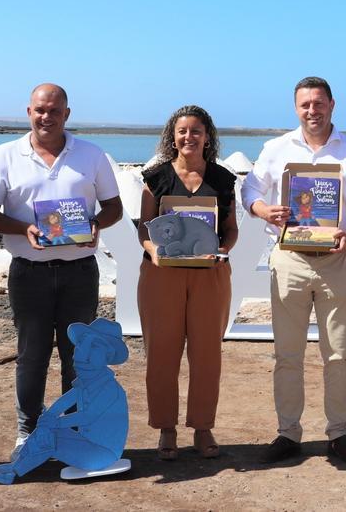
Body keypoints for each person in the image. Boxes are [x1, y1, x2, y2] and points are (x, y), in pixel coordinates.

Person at [241, 76, 346, 464]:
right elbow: (250, 192)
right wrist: (264, 210)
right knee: (287, 355)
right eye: (305, 104)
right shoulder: (275, 149)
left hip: (337, 261)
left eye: (319, 104)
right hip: (288, 260)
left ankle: (338, 433)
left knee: (338, 355)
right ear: (296, 108)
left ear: (332, 105)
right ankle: (288, 433)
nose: (312, 111)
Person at [0, 83, 123, 460]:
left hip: (79, 272)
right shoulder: (4, 155)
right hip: (29, 273)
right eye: (40, 110)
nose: (47, 117)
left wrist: (95, 224)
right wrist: (22, 228)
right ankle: (28, 429)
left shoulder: (91, 155)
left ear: (66, 114)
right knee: (32, 354)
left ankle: (73, 427)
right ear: (29, 112)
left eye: (54, 110)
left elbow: (114, 207)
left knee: (79, 357)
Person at [137, 105, 238, 461]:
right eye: (182, 131)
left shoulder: (224, 180)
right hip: (161, 275)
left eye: (196, 131)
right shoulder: (156, 177)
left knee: (207, 354)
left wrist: (223, 250)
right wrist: (154, 252)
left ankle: (203, 427)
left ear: (207, 136)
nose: (188, 137)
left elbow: (230, 229)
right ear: (172, 136)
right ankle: (166, 428)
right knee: (162, 352)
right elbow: (144, 228)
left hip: (210, 276)